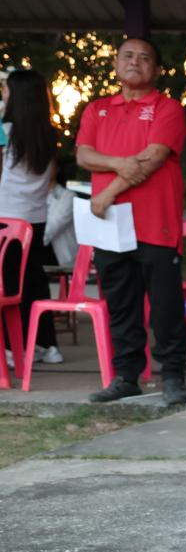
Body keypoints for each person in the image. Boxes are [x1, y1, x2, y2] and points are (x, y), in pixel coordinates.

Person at [75, 37, 186, 405]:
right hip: (109, 226)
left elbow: (154, 157)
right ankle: (126, 376)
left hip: (156, 223)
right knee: (121, 304)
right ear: (115, 64)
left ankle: (173, 375)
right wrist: (120, 163)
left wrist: (108, 192)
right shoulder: (97, 109)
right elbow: (83, 155)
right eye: (127, 56)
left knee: (166, 305)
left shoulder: (167, 108)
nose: (135, 62)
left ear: (156, 70)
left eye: (144, 58)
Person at [0, 68, 63, 368]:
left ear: (17, 96)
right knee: (35, 280)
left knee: (8, 284)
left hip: (6, 219)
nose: (3, 94)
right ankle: (47, 345)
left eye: (6, 90)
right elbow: (49, 180)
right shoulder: (48, 133)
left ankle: (12, 348)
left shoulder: (5, 130)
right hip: (36, 219)